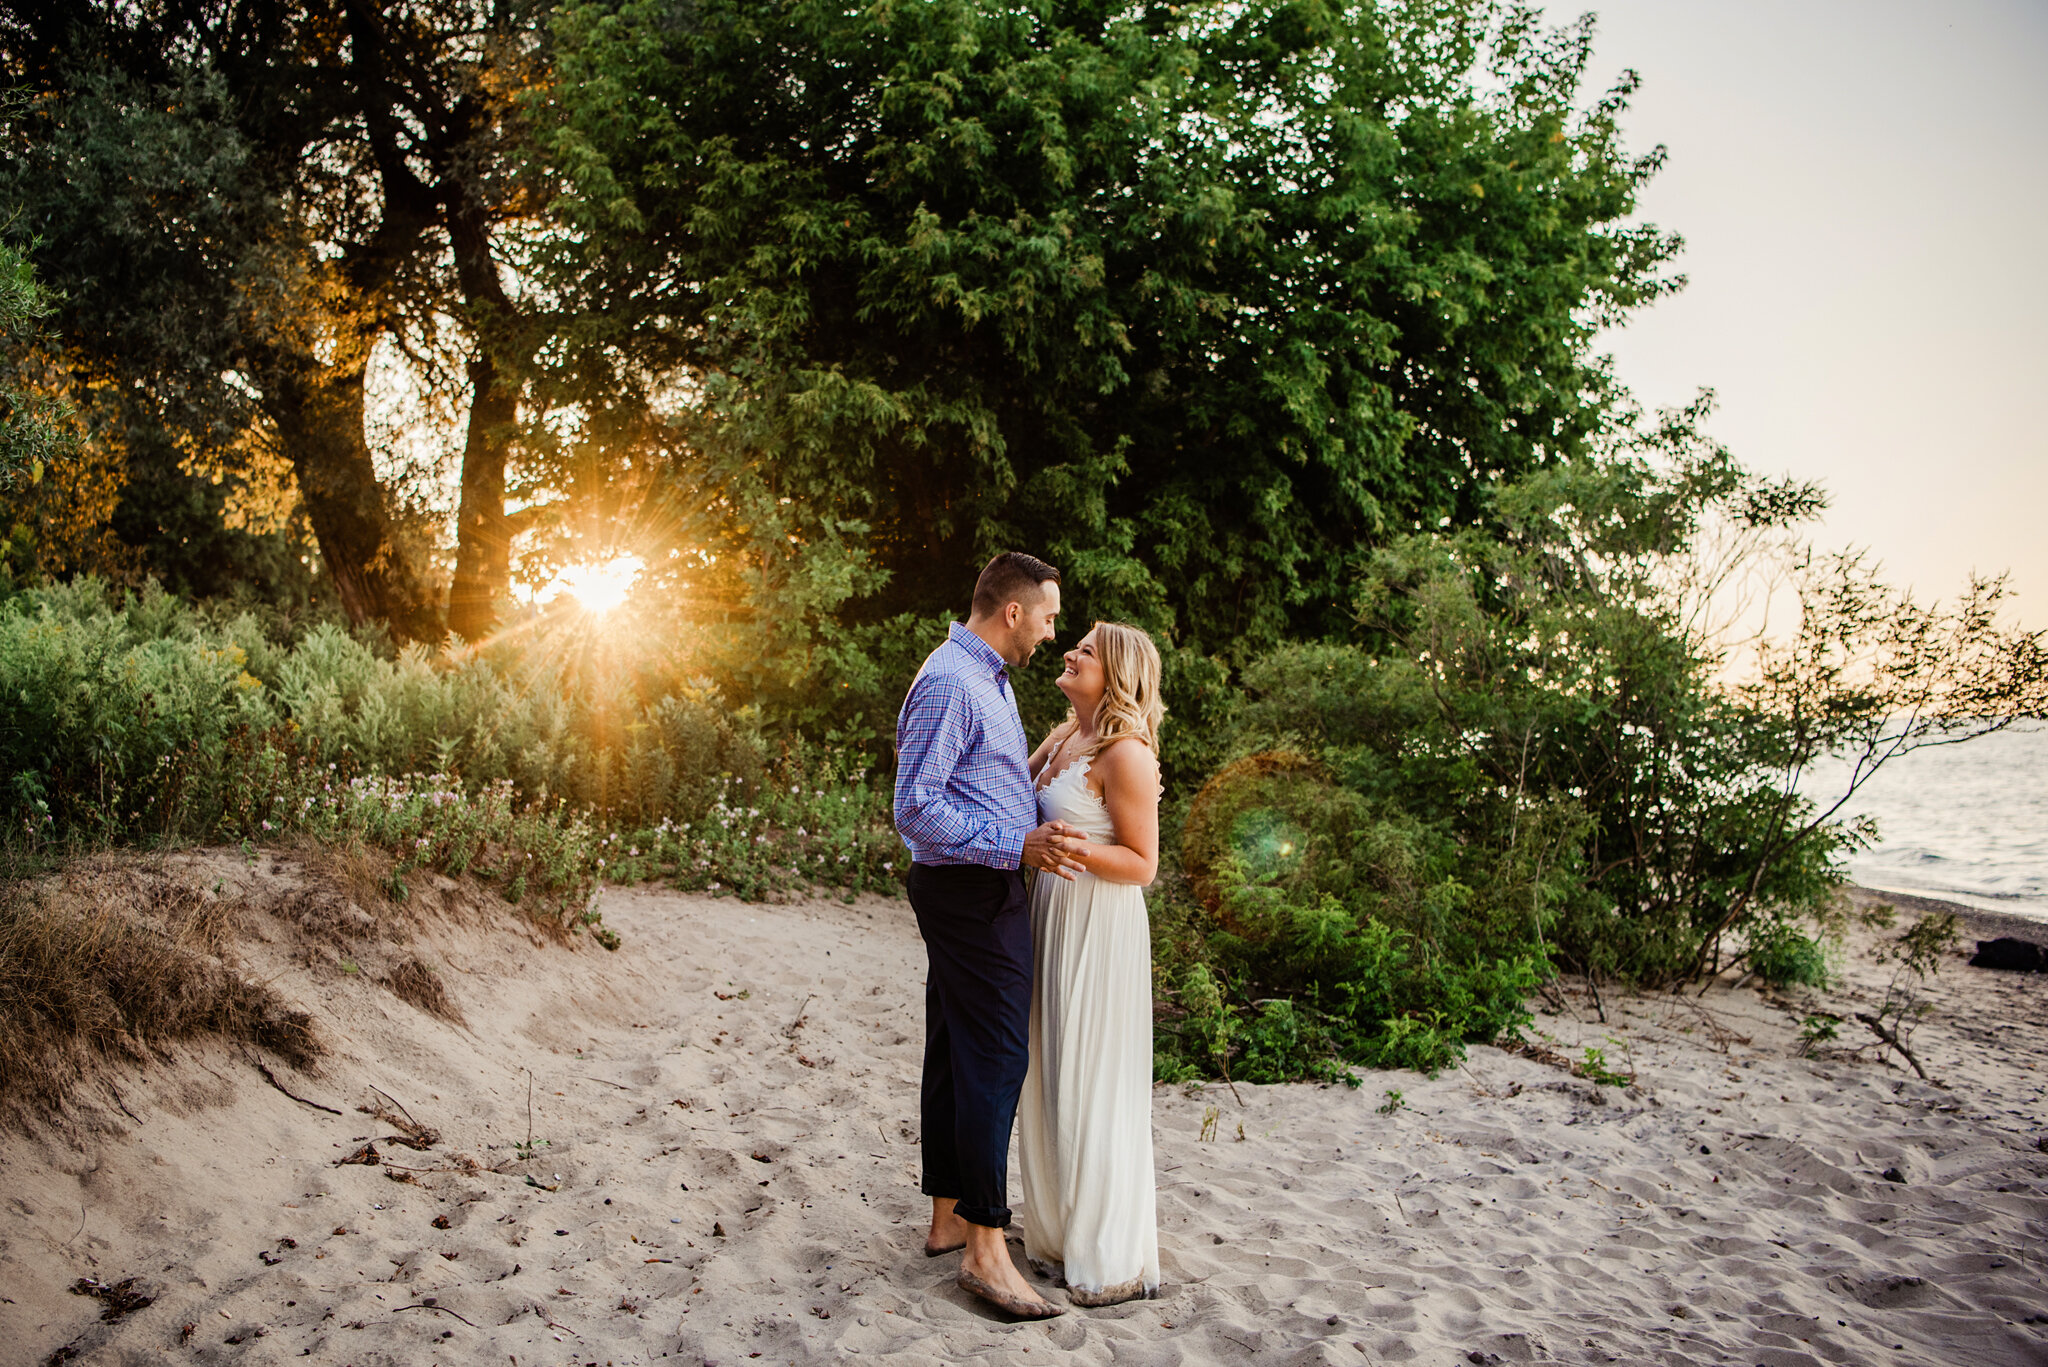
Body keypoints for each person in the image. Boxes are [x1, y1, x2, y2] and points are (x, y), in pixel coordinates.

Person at [893, 551, 1087, 1320]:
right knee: (999, 1056)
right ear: (1013, 611)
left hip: (977, 886)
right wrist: (1019, 849)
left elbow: (990, 784)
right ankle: (984, 1247)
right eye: (1047, 617)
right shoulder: (951, 681)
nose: (1050, 633)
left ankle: (947, 1218)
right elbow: (916, 808)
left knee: (954, 1045)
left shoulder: (990, 681)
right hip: (971, 889)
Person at [1017, 621, 1164, 1306]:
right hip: (1052, 912)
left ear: (1119, 675)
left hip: (1099, 925)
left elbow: (1143, 864)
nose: (1071, 653)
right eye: (1073, 643)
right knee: (1049, 1074)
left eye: (1087, 651)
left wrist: (1063, 848)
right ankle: (1055, 1233)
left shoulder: (1125, 753)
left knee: (1092, 1079)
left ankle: (1109, 1256)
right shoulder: (1062, 736)